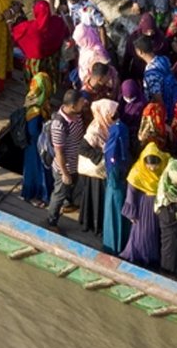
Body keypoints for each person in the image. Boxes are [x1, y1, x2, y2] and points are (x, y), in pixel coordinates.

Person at [47, 89, 89, 229]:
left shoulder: (76, 115)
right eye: (80, 103)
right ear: (72, 106)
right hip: (64, 167)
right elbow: (59, 152)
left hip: (75, 163)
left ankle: (67, 204)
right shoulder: (59, 125)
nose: (83, 105)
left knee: (69, 189)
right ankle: (51, 221)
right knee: (59, 194)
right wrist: (64, 173)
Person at [122, 142, 168, 267]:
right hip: (144, 206)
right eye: (149, 165)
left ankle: (152, 258)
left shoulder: (166, 164)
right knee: (143, 234)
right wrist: (132, 213)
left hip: (158, 205)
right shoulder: (137, 172)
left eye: (155, 165)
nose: (152, 168)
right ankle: (138, 256)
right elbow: (131, 194)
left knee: (155, 234)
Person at [79, 99, 118, 233]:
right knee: (97, 200)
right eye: (111, 113)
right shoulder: (95, 130)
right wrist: (101, 157)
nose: (114, 116)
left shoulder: (105, 125)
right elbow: (83, 148)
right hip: (95, 174)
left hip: (101, 170)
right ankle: (97, 225)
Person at [12, 0, 69, 83]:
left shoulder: (27, 27)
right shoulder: (58, 22)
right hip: (52, 60)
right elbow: (66, 33)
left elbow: (14, 35)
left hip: (35, 63)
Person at [20, 72, 53, 206]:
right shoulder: (36, 110)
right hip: (36, 145)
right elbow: (34, 131)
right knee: (37, 170)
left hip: (35, 144)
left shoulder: (34, 99)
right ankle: (35, 195)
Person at [103, 101, 131, 254]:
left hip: (115, 177)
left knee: (113, 211)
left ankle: (113, 245)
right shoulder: (122, 128)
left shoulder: (115, 131)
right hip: (120, 174)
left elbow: (111, 153)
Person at [133, 35, 177, 120]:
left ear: (140, 52)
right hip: (176, 98)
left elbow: (157, 97)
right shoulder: (164, 59)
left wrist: (164, 117)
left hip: (168, 108)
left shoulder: (150, 74)